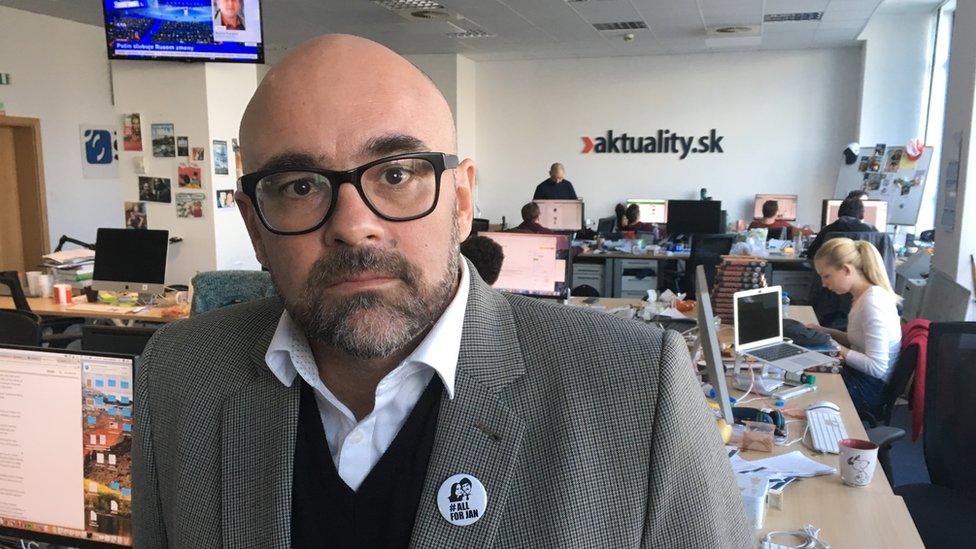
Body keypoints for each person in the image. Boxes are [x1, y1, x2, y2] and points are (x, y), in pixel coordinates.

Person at [133, 34, 749, 548]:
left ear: (460, 202)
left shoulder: (639, 390)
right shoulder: (179, 375)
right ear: (253, 226)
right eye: (299, 187)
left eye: (397, 174)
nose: (352, 225)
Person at [807, 238, 901, 415]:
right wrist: (825, 332)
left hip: (868, 388)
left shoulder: (873, 303)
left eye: (826, 276)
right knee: (804, 367)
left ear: (846, 270)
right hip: (861, 376)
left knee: (806, 389)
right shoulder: (862, 296)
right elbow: (858, 340)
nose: (823, 284)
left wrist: (833, 345)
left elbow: (877, 367)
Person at [805, 195, 877, 260]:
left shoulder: (827, 230)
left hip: (833, 271)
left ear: (839, 212)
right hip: (862, 272)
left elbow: (811, 254)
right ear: (862, 215)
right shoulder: (870, 231)